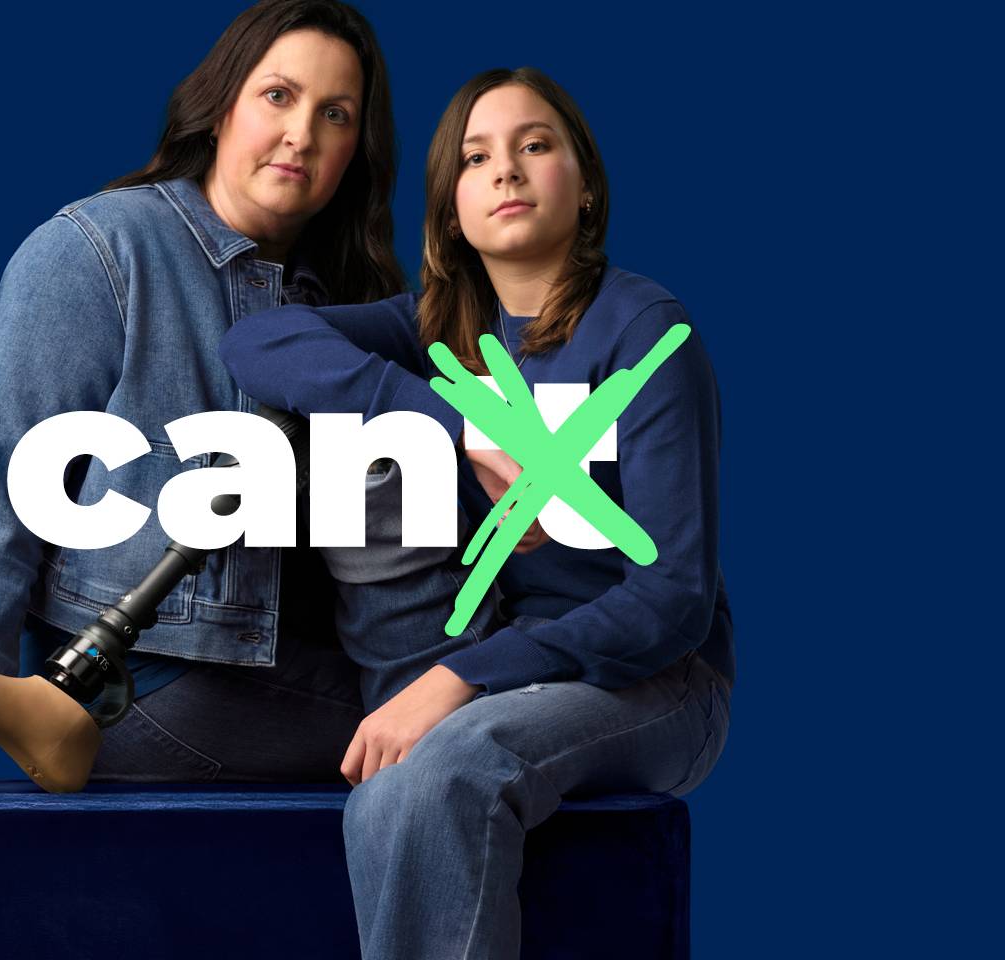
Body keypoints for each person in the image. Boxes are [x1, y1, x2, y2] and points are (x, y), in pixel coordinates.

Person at [0, 0, 486, 800]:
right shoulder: (99, 250)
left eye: (336, 115)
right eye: (278, 96)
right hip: (145, 689)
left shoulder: (345, 299)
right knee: (487, 726)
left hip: (287, 666)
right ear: (221, 107)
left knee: (498, 695)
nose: (302, 134)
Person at [220, 67, 734, 959]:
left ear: (586, 184)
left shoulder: (644, 331)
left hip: (661, 680)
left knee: (447, 770)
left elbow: (672, 602)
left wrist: (462, 677)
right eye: (475, 157)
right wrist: (456, 423)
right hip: (520, 665)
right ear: (450, 209)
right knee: (389, 789)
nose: (506, 170)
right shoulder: (442, 333)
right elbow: (256, 341)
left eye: (535, 145)